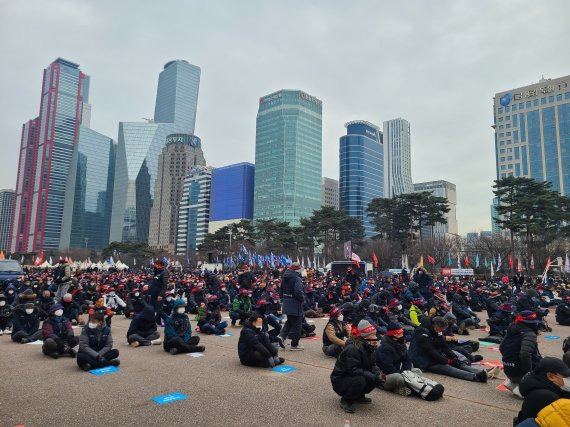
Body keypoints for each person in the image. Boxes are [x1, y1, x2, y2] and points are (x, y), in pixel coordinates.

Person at [409, 316, 497, 382]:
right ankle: (475, 377)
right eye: (441, 329)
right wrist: (448, 361)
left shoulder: (436, 330)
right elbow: (430, 351)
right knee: (447, 367)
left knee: (458, 363)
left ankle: (482, 372)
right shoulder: (422, 332)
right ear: (434, 326)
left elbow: (444, 346)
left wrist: (454, 357)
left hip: (434, 355)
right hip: (422, 360)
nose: (441, 332)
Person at [330, 320, 382, 413]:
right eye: (372, 335)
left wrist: (378, 373)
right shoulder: (353, 348)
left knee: (376, 377)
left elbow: (373, 364)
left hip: (353, 375)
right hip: (340, 380)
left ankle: (359, 395)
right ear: (365, 336)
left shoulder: (370, 346)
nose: (375, 337)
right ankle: (346, 400)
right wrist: (371, 375)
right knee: (360, 380)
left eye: (375, 334)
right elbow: (353, 370)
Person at [515, 357, 570, 424]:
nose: (568, 379)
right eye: (565, 376)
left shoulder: (539, 385)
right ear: (550, 376)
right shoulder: (547, 397)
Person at [500, 310, 542, 396]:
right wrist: (529, 374)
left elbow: (501, 347)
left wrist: (510, 360)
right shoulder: (529, 334)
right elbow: (525, 355)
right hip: (521, 374)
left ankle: (512, 383)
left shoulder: (511, 330)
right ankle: (522, 389)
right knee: (549, 380)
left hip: (508, 371)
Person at [375, 322, 413, 396]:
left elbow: (407, 360)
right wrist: (403, 376)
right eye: (400, 334)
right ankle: (396, 388)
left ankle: (399, 387)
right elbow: (388, 368)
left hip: (396, 372)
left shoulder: (400, 343)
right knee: (399, 378)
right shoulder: (385, 348)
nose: (402, 335)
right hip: (384, 376)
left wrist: (406, 373)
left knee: (416, 371)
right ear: (394, 335)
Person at [278, 262, 305, 351]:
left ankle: (281, 336)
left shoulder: (284, 277)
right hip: (295, 304)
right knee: (297, 324)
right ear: (297, 269)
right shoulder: (297, 278)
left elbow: (280, 292)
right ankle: (294, 344)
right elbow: (298, 292)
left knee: (290, 321)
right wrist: (302, 299)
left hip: (286, 303)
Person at [148, 260, 168, 325]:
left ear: (159, 265)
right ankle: (152, 322)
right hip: (153, 294)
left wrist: (161, 295)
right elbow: (154, 283)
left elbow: (164, 285)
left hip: (159, 295)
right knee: (150, 309)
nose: (154, 265)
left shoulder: (164, 273)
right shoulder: (156, 273)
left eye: (155, 264)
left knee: (159, 311)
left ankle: (169, 321)